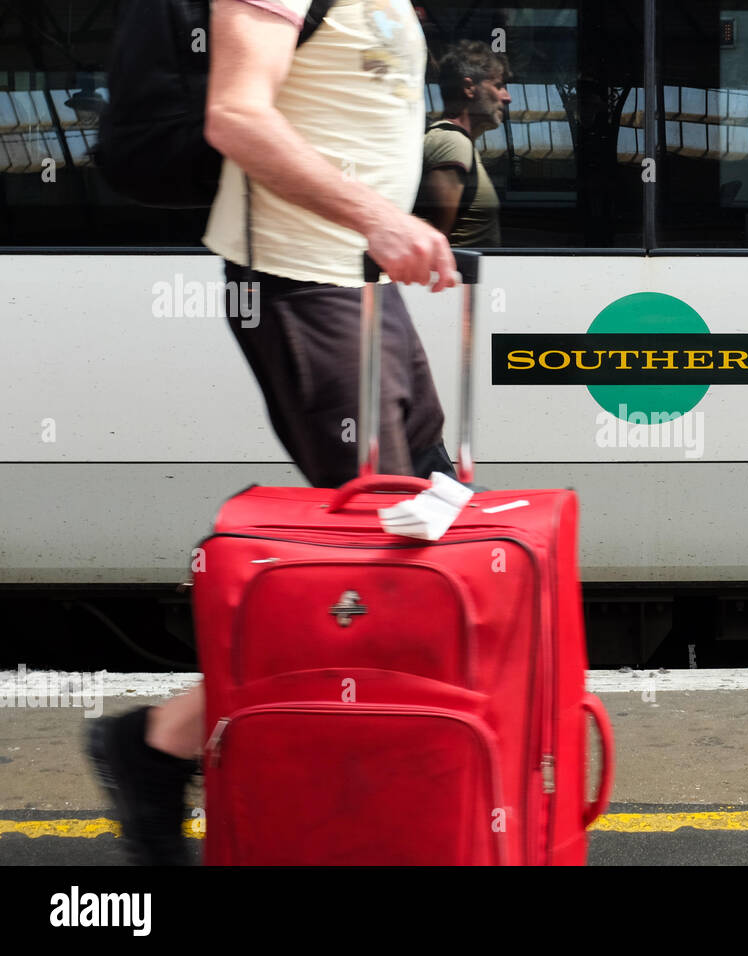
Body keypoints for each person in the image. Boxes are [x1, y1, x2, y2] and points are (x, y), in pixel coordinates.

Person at [86, 0, 458, 865]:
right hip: (302, 281)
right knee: (382, 576)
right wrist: (378, 216)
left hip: (358, 286)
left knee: (435, 534)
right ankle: (160, 747)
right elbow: (237, 114)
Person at [421, 40, 510, 246]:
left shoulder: (459, 143)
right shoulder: (451, 142)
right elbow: (437, 239)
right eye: (498, 86)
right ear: (469, 88)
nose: (507, 97)